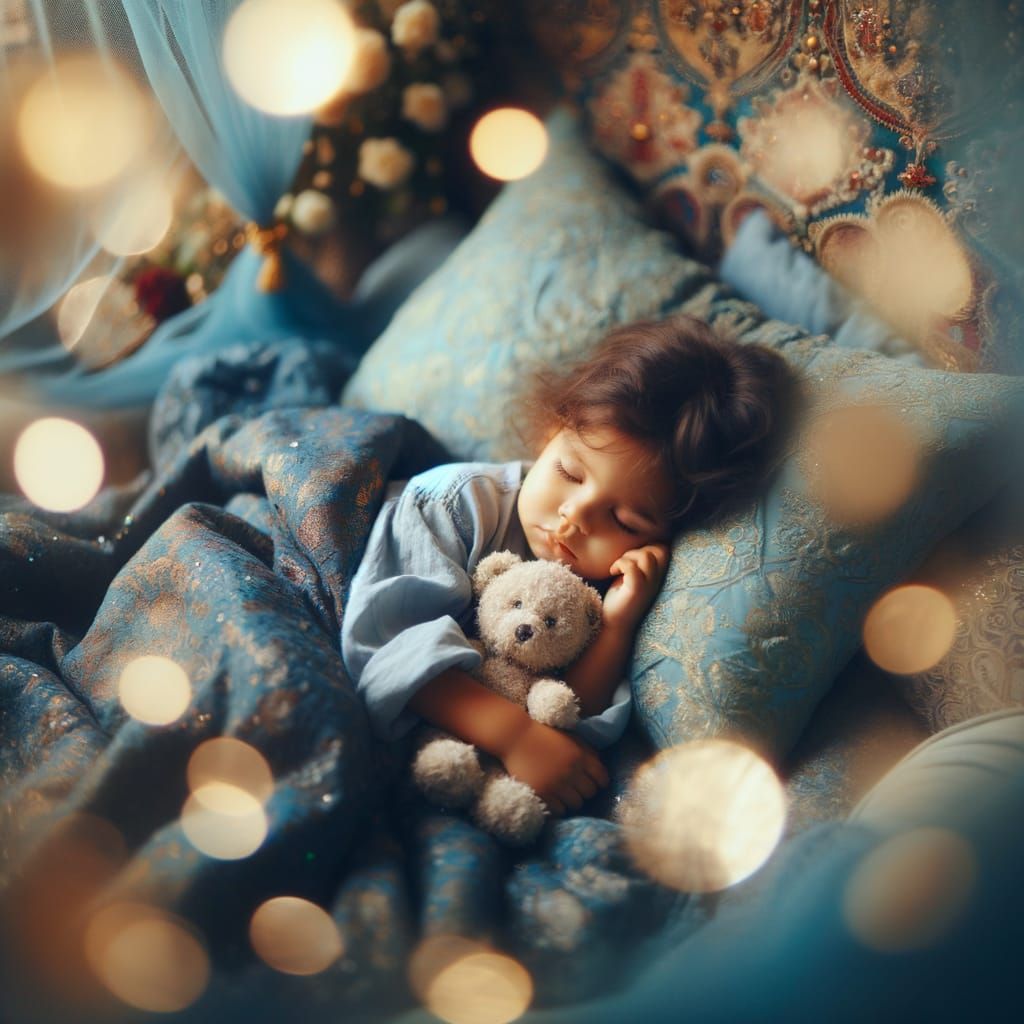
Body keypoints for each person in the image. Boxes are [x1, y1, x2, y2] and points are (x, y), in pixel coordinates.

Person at [341, 315, 800, 817]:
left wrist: (617, 628)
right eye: (569, 471)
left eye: (623, 519)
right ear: (551, 431)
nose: (575, 516)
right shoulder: (456, 503)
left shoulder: (603, 588)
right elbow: (386, 644)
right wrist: (515, 736)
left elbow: (566, 719)